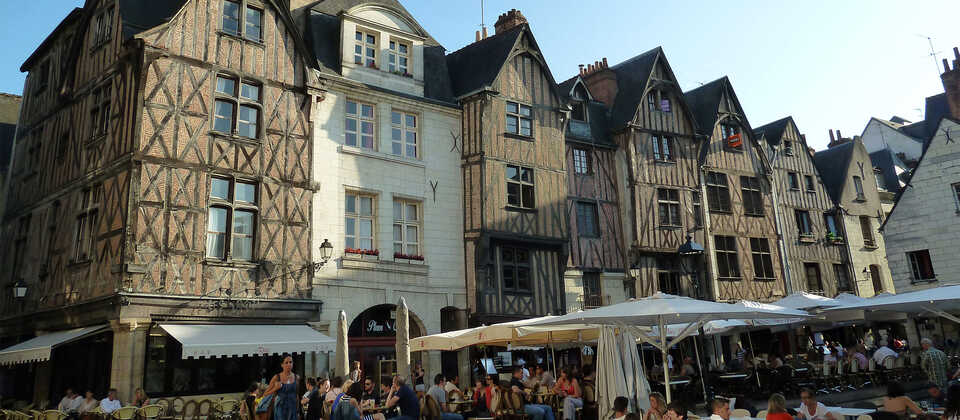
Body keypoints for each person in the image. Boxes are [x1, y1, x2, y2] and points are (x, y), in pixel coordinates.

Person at [260, 354, 300, 420]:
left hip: (292, 409)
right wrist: (275, 388)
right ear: (282, 365)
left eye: (290, 362)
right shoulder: (277, 377)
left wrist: (298, 411)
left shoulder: (296, 377)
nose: (289, 364)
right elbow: (265, 394)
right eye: (286, 363)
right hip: (280, 409)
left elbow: (296, 395)